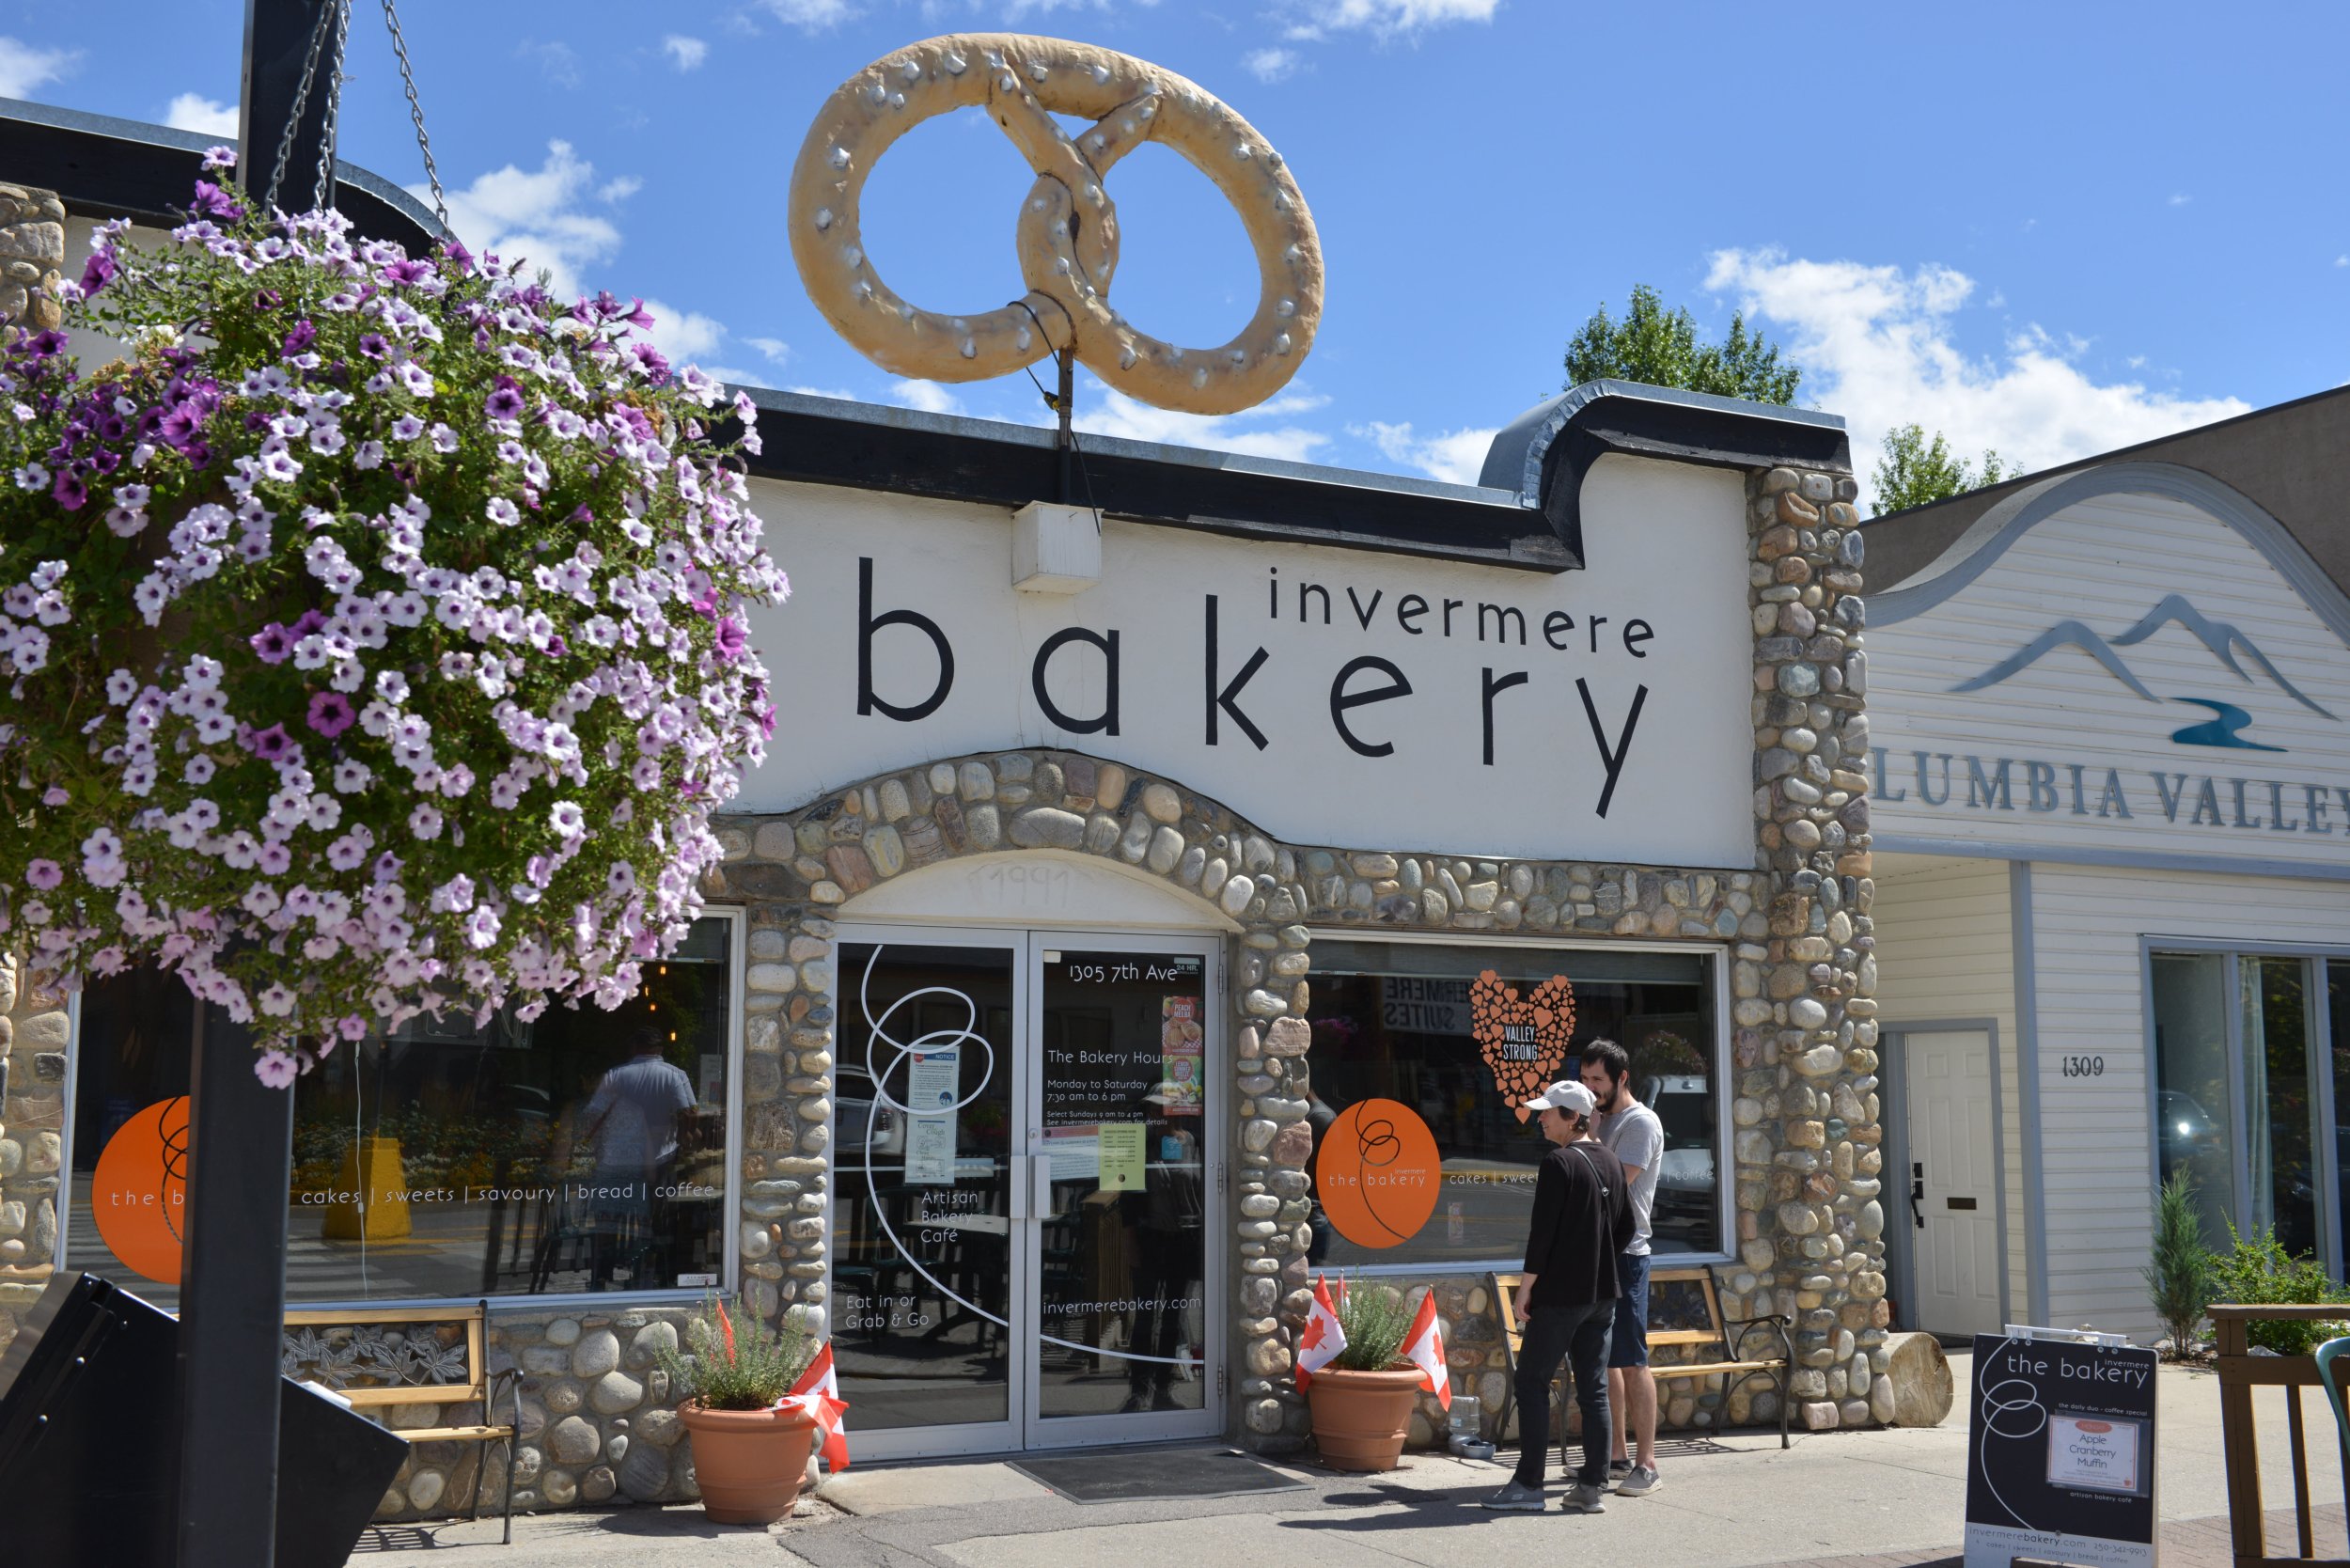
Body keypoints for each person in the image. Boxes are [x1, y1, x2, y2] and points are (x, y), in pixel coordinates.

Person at [1483, 1079, 1634, 1515]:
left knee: (1531, 1383)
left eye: (1548, 1112)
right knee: (1594, 1389)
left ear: (1572, 1118)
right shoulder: (1611, 1160)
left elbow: (1542, 1235)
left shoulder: (1558, 1162)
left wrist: (1525, 1288)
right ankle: (1591, 1487)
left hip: (1562, 1295)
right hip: (1602, 1296)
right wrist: (1598, 1259)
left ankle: (1529, 1485)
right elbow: (1627, 1227)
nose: (1541, 1119)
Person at [1582, 1038, 1666, 1497]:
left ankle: (1647, 1464)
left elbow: (1612, 1182)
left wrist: (1592, 1136)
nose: (1590, 1087)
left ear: (1621, 1078)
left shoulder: (1640, 1123)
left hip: (1628, 1255)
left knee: (1633, 1360)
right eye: (1585, 1078)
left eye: (1598, 1079)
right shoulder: (1597, 1117)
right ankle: (1615, 1455)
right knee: (1606, 1359)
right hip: (1597, 1253)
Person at [577, 1023, 698, 1290]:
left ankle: (600, 1277)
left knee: (608, 1220)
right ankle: (644, 1275)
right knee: (653, 1221)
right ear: (660, 1048)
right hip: (658, 1159)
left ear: (634, 1047)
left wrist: (597, 1145)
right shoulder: (674, 1075)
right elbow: (689, 1113)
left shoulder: (616, 1075)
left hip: (616, 1159)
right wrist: (683, 1140)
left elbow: (592, 1115)